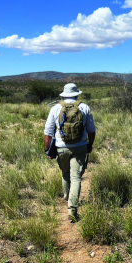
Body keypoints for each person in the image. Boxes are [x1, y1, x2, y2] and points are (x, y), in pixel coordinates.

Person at [44, 83, 96, 222]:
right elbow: (92, 130)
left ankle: (68, 198)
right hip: (80, 147)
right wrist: (89, 145)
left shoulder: (55, 108)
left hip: (61, 147)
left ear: (64, 94)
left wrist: (47, 149)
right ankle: (72, 210)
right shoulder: (84, 107)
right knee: (76, 178)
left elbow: (48, 132)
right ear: (77, 94)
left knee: (65, 174)